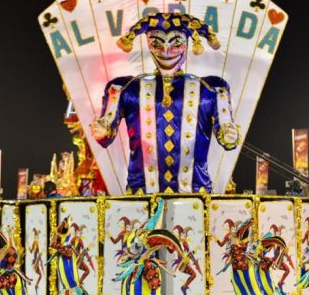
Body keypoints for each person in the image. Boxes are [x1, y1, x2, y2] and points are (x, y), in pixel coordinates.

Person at [90, 12, 239, 194]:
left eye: (176, 43)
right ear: (149, 44)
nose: (166, 52)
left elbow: (227, 138)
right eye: (157, 44)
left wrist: (229, 135)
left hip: (194, 194)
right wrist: (102, 131)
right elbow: (107, 135)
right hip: (141, 194)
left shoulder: (212, 89)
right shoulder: (125, 88)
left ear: (187, 44)